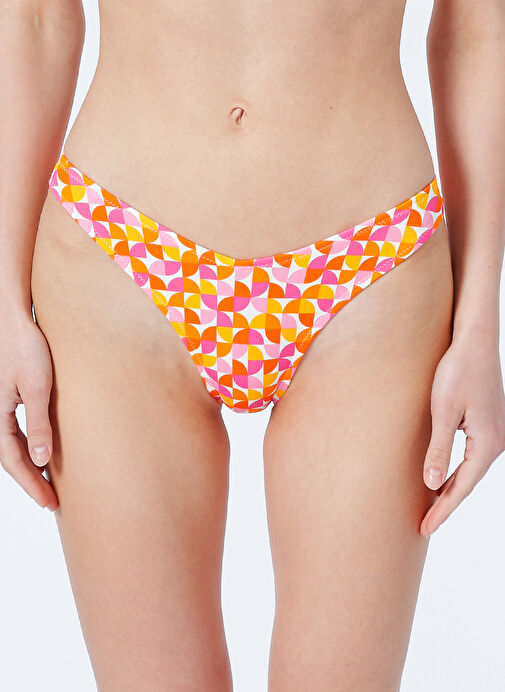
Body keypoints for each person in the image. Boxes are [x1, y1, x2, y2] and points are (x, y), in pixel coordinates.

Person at [1, 1, 504, 690]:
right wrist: (4, 303)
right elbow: (35, 18)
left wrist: (479, 324)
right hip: (119, 254)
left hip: (369, 264)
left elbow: (477, 28)